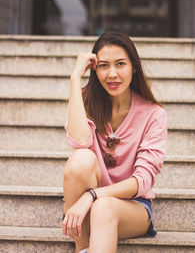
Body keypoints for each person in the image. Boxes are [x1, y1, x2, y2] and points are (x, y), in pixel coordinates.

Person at [62, 32, 167, 253]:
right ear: (94, 69)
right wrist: (74, 79)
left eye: (120, 64)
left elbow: (142, 181)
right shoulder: (85, 101)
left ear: (134, 67)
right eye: (103, 66)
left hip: (132, 207)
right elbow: (79, 141)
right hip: (88, 206)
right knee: (81, 158)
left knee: (103, 207)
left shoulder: (153, 115)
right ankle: (83, 249)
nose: (112, 74)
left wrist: (91, 196)